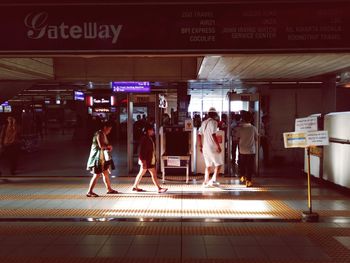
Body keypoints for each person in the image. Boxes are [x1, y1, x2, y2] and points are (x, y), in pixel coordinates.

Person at [132, 124, 167, 193]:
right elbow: (142, 151)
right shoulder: (145, 138)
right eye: (152, 130)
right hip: (146, 160)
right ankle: (158, 188)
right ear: (148, 130)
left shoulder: (148, 138)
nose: (153, 131)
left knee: (144, 173)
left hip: (148, 160)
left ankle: (135, 186)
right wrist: (143, 161)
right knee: (152, 174)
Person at [86, 121, 118, 197]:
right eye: (109, 129)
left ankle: (109, 189)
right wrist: (108, 147)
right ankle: (89, 191)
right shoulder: (100, 134)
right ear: (105, 127)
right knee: (96, 175)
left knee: (105, 174)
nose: (109, 131)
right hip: (97, 158)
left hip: (101, 158)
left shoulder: (101, 134)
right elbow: (101, 146)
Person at [198, 107, 223, 187]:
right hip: (212, 147)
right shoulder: (214, 122)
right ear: (215, 115)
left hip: (205, 147)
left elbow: (199, 134)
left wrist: (200, 145)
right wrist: (218, 146)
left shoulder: (204, 122)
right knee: (219, 164)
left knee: (208, 165)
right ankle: (213, 180)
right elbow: (213, 135)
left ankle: (205, 181)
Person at [236, 111, 258, 187]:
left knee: (242, 164)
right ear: (251, 119)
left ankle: (242, 176)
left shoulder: (240, 129)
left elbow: (237, 137)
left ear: (243, 119)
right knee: (249, 166)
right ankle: (248, 181)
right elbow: (256, 138)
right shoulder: (253, 128)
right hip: (251, 150)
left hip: (242, 150)